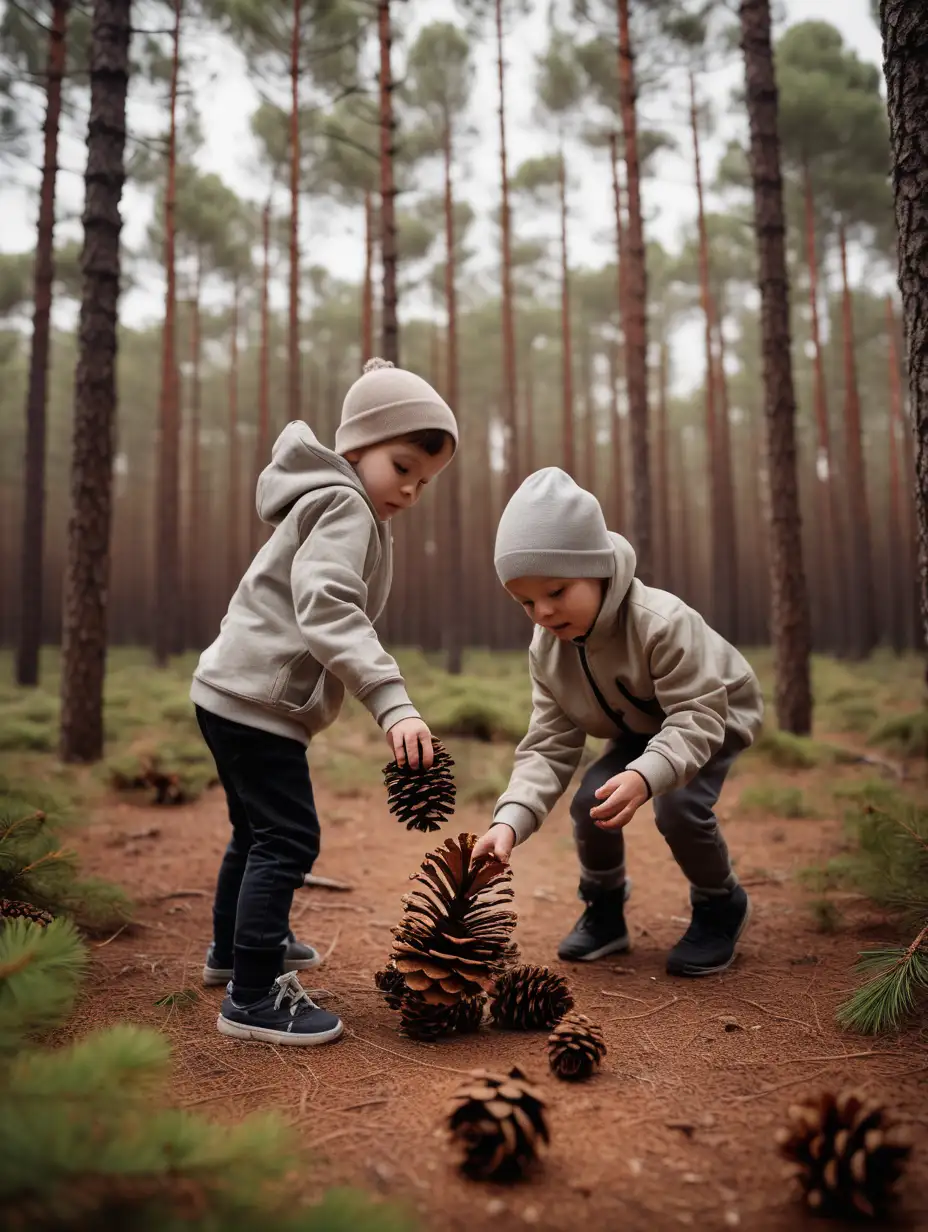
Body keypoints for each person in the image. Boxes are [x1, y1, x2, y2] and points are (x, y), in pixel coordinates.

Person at [191, 358, 457, 1045]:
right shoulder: (344, 505)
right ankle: (252, 997)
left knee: (255, 833)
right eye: (402, 467)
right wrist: (391, 700)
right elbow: (329, 606)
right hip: (256, 700)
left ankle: (234, 953)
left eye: (424, 481)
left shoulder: (337, 500)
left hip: (227, 692)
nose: (411, 490)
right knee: (288, 837)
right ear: (356, 447)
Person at [473, 467, 763, 977]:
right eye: (525, 602)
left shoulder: (661, 623)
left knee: (679, 805)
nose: (542, 612)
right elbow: (547, 746)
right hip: (645, 725)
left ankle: (721, 904)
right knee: (592, 802)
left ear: (599, 570)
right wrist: (509, 821)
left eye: (557, 591)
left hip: (713, 712)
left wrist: (648, 774)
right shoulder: (549, 651)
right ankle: (604, 909)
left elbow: (696, 715)